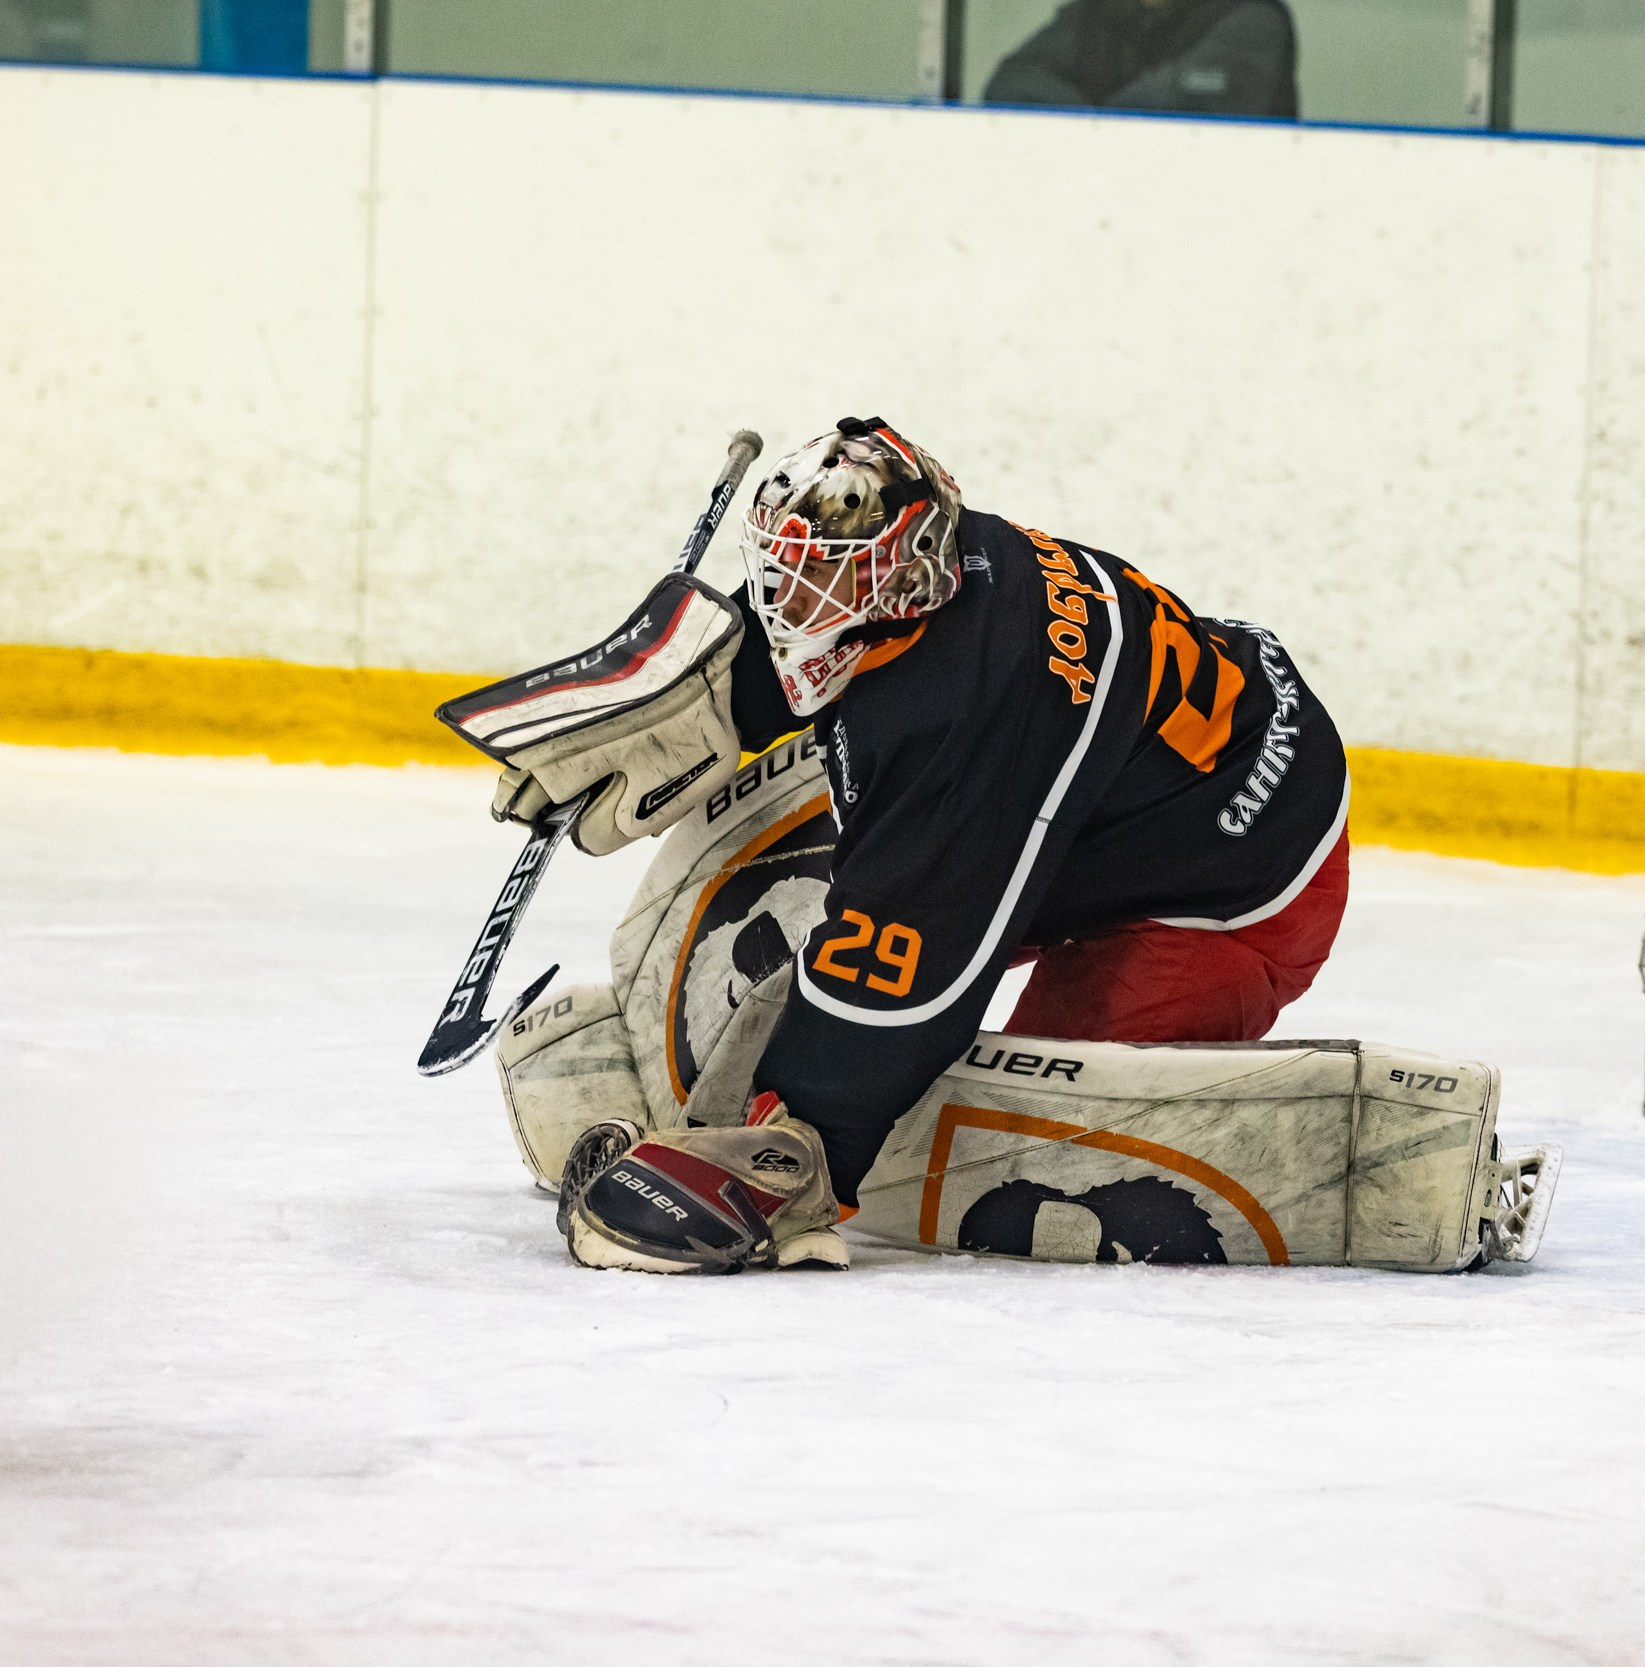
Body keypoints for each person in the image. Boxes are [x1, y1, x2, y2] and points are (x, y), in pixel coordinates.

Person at [481, 420, 1357, 1272]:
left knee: (1016, 1128)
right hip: (1130, 791)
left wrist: (803, 1139)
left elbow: (907, 966)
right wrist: (698, 699)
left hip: (1242, 886)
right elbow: (816, 621)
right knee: (813, 877)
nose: (790, 597)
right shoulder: (927, 566)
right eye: (781, 572)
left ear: (902, 582)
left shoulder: (972, 716)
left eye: (814, 580)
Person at [983, 0, 1297, 119]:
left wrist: (1091, 125)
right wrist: (1093, 120)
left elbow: (1171, 108)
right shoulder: (1096, 13)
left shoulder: (1253, 18)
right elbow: (1011, 84)